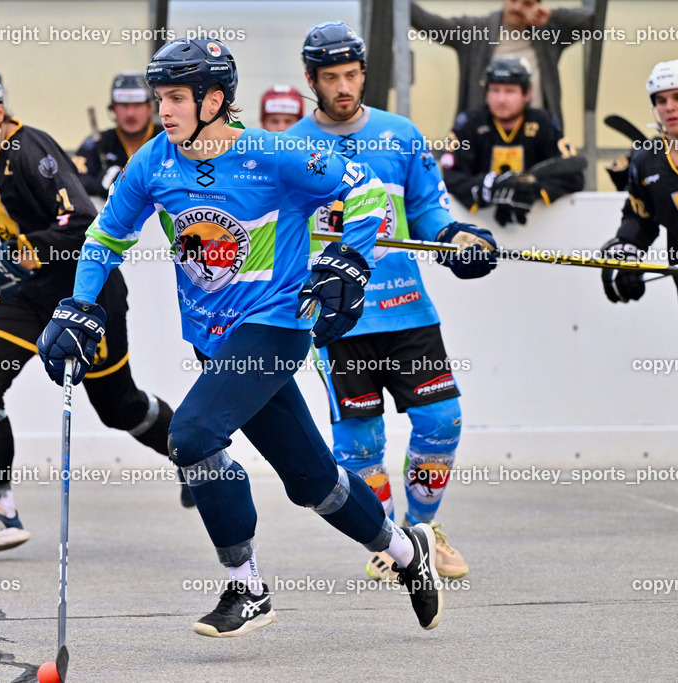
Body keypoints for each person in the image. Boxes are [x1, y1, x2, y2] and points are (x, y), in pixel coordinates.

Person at [39, 37, 456, 638]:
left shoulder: (273, 155)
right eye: (160, 98)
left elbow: (366, 195)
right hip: (215, 341)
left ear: (215, 99)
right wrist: (81, 302)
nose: (165, 111)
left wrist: (349, 258)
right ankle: (409, 553)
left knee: (191, 434)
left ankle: (247, 585)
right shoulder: (153, 161)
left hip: (278, 324)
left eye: (177, 98)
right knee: (315, 483)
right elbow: (105, 238)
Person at [0, 69, 179, 555]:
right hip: (28, 295)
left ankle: (196, 457)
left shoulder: (33, 154)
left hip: (83, 294)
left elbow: (83, 227)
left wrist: (16, 255)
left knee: (119, 407)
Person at [290, 21, 498, 583]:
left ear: (364, 73)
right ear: (311, 79)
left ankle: (425, 530)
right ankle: (390, 541)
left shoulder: (400, 133)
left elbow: (430, 212)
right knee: (360, 442)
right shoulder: (289, 147)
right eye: (330, 77)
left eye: (352, 75)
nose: (343, 87)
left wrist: (458, 241)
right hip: (340, 320)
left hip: (409, 312)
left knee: (441, 422)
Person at [600, 59, 678, 522]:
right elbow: (638, 222)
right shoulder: (646, 161)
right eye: (661, 99)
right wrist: (621, 255)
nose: (670, 107)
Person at [442, 57, 583, 226]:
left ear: (527, 93)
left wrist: (534, 190)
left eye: (510, 91)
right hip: (477, 231)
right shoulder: (469, 124)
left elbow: (573, 174)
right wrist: (490, 187)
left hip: (538, 232)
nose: (501, 99)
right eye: (494, 90)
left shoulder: (544, 124)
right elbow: (451, 177)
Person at [411, 0, 594, 129]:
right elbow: (430, 24)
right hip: (484, 136)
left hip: (536, 134)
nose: (517, 7)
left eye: (527, 3)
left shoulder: (548, 35)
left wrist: (552, 15)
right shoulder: (476, 31)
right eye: (513, 0)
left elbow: (592, 20)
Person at [73, 72, 158, 202]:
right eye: (123, 105)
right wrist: (99, 185)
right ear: (113, 108)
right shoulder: (97, 142)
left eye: (138, 105)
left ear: (150, 108)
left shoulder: (168, 139)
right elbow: (73, 180)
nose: (130, 113)